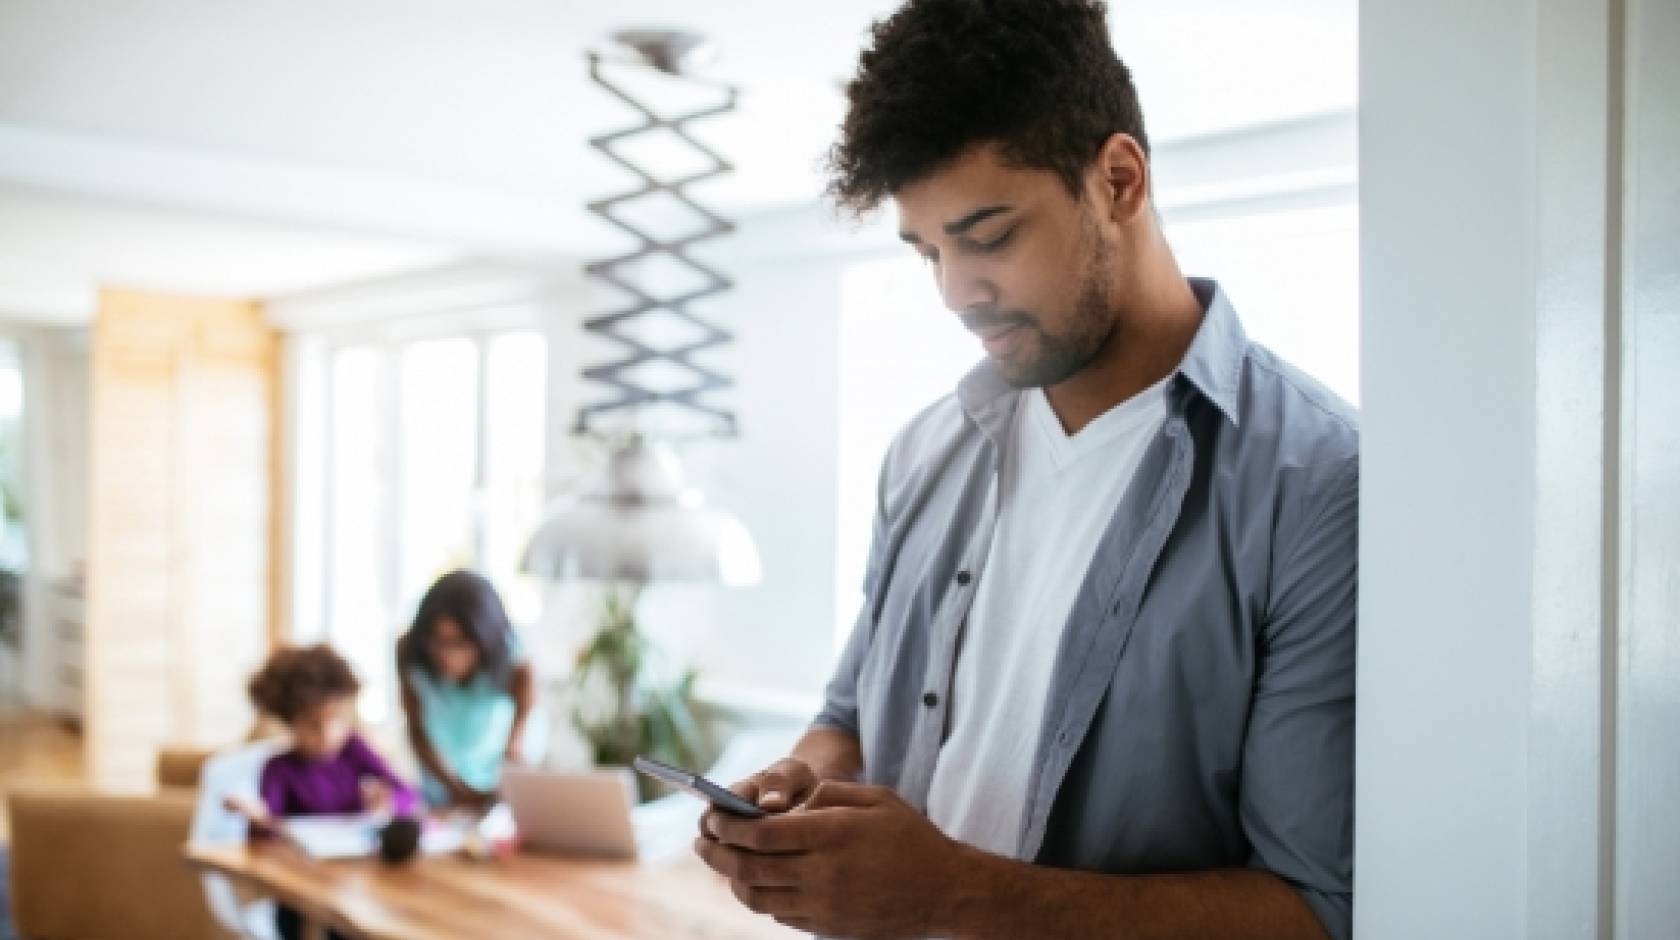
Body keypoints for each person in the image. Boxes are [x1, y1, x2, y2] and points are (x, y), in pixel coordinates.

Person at [693, 2, 1358, 939]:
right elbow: (846, 718)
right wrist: (797, 794)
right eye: (929, 251)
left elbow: (1312, 911)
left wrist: (949, 892)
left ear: (1119, 180)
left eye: (989, 236)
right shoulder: (925, 453)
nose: (955, 292)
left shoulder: (1319, 484)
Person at [247, 644, 417, 940]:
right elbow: (267, 832)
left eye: (336, 718)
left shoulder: (354, 749)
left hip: (355, 876)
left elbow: (407, 794)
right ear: (291, 722)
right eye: (313, 724)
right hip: (301, 883)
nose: (327, 733)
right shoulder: (278, 768)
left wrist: (389, 801)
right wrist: (260, 821)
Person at [396, 570, 545, 810]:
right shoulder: (411, 655)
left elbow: (515, 748)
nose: (447, 655)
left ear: (485, 639)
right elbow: (417, 733)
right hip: (441, 790)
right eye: (438, 642)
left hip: (497, 788)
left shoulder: (515, 663)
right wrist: (458, 792)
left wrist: (500, 788)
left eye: (459, 643)